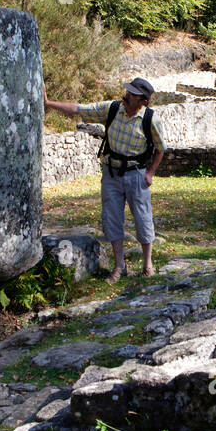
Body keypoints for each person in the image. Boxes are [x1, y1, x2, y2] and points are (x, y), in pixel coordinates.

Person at [44, 77, 166, 281]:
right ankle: (119, 267)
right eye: (127, 92)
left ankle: (147, 264)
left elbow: (161, 149)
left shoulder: (151, 120)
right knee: (112, 219)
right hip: (111, 174)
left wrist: (150, 173)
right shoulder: (112, 109)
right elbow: (78, 109)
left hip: (137, 175)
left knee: (143, 218)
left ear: (143, 101)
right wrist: (48, 103)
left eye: (132, 94)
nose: (126, 96)